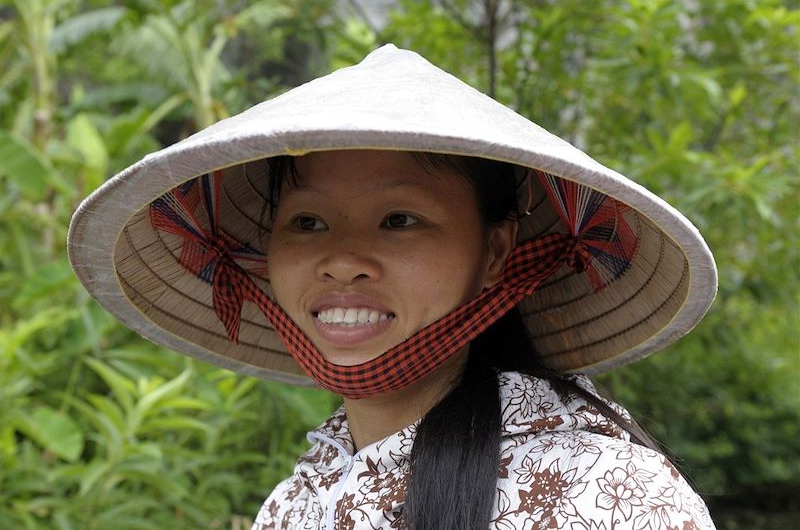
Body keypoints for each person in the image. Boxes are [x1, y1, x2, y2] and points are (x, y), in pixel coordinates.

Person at [68, 46, 718, 529]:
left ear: (496, 251)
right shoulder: (293, 505)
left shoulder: (606, 493)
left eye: (399, 219)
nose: (342, 261)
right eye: (309, 222)